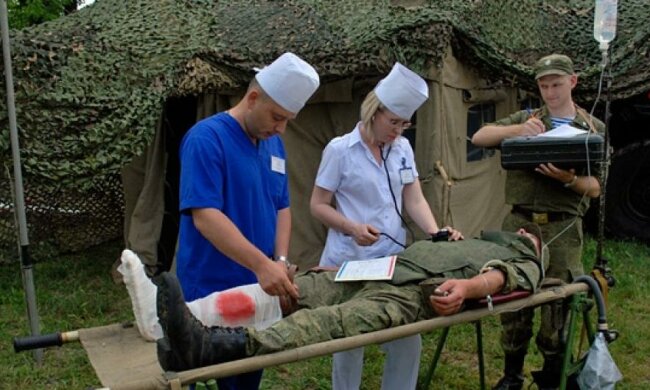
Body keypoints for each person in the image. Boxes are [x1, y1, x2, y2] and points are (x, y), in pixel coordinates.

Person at [154, 226, 545, 373]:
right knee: (299, 288)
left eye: (530, 235)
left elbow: (502, 278)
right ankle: (186, 326)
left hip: (415, 294)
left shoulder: (527, 258)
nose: (523, 230)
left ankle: (213, 348)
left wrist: (467, 289)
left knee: (337, 322)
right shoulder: (475, 238)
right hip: (383, 269)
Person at [310, 62, 463, 389]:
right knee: (350, 340)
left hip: (391, 261)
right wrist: (352, 227)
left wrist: (435, 233)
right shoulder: (339, 151)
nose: (397, 130)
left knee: (407, 337)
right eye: (392, 122)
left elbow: (414, 199)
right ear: (373, 112)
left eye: (404, 124)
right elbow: (318, 205)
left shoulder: (402, 148)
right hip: (349, 259)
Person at [175, 52, 319, 389]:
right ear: (253, 98)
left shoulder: (275, 146)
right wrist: (261, 264)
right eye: (277, 116)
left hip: (258, 289)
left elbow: (282, 206)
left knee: (246, 375)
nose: (281, 127)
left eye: (288, 120)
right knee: (198, 374)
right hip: (210, 289)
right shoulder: (206, 139)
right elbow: (206, 217)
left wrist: (279, 261)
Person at [471, 53, 604, 390]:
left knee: (557, 303)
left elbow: (595, 187)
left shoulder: (591, 129)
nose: (550, 92)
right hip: (520, 223)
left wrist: (567, 178)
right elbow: (480, 137)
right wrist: (520, 130)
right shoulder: (528, 118)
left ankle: (551, 376)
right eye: (543, 86)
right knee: (513, 298)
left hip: (561, 228)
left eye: (556, 84)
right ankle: (511, 375)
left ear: (572, 82)